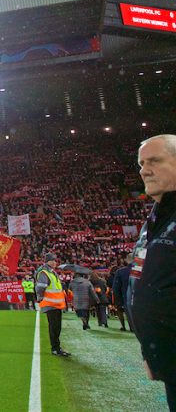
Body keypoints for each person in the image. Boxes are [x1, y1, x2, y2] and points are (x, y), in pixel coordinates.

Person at [129, 134, 176, 410]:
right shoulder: (155, 220)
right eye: (141, 163)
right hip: (168, 362)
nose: (145, 170)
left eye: (155, 161)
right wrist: (152, 352)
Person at [35, 252, 69, 356]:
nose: (55, 262)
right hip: (50, 304)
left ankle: (57, 347)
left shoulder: (52, 272)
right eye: (53, 260)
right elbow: (40, 287)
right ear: (47, 261)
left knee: (57, 327)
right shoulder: (44, 273)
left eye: (55, 260)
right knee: (54, 327)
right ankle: (55, 348)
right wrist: (41, 298)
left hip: (56, 304)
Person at [111, 254, 133, 332]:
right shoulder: (142, 270)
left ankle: (124, 326)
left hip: (125, 297)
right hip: (139, 298)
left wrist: (118, 300)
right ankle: (133, 327)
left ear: (126, 260)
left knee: (122, 311)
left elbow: (115, 288)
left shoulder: (120, 271)